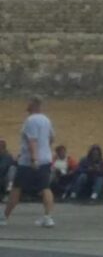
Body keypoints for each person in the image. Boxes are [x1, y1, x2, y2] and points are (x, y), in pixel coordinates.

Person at [0, 96, 56, 227]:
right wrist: (45, 150)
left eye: (29, 102)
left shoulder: (30, 120)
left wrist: (34, 159)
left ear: (35, 105)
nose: (27, 104)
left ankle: (4, 217)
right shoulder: (46, 120)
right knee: (45, 187)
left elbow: (32, 140)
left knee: (17, 188)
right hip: (45, 159)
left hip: (28, 161)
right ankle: (48, 218)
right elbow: (52, 137)